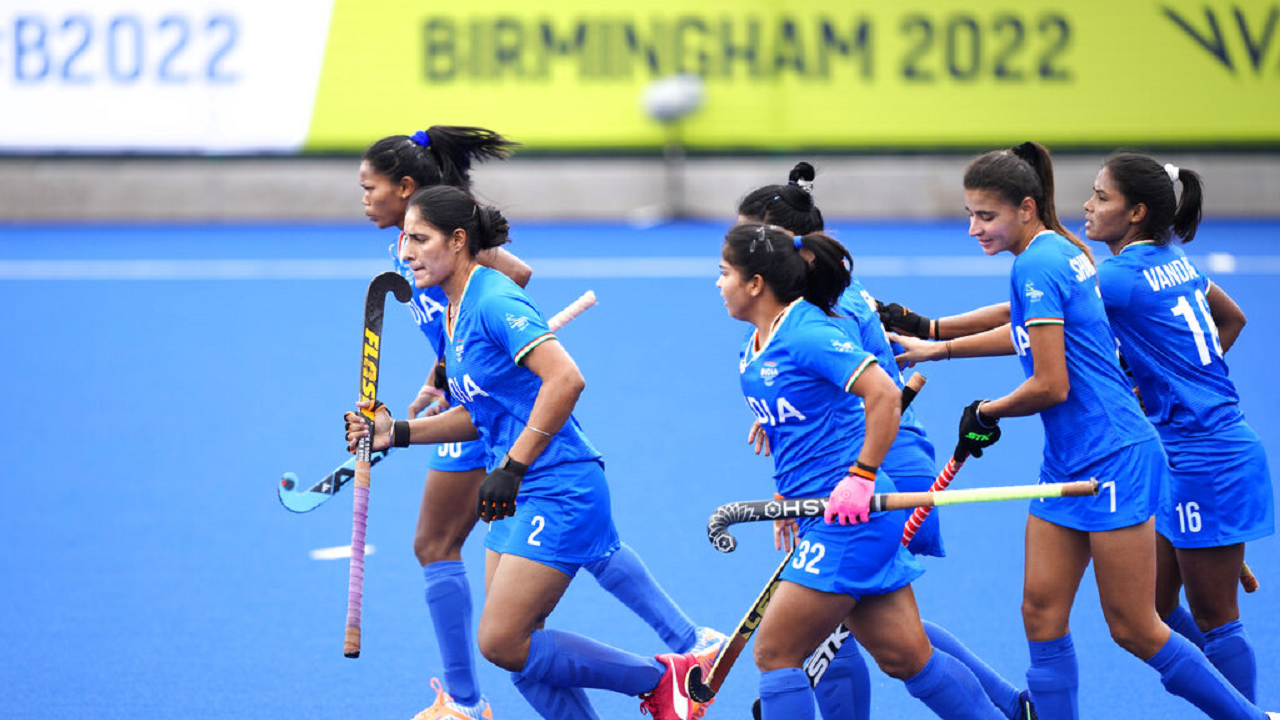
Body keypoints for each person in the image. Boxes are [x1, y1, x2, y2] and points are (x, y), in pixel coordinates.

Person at [889, 142, 1275, 720]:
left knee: (1140, 625)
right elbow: (1034, 328)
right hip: (1084, 455)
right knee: (1042, 612)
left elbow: (1052, 382)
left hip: (1133, 454)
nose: (972, 228)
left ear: (1025, 207)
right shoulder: (1070, 255)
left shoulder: (1070, 265)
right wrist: (937, 341)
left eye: (984, 216)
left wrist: (986, 409)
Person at [358, 127, 722, 720]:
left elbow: (568, 380)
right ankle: (678, 655)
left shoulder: (493, 300)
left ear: (457, 240)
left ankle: (665, 676)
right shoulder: (453, 312)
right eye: (405, 241)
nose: (406, 253)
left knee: (500, 640)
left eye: (418, 240)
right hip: (523, 489)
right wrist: (395, 432)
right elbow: (477, 416)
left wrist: (514, 465)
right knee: (520, 653)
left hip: (556, 482)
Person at [736, 164, 1035, 720]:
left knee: (815, 634)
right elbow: (816, 394)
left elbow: (863, 401)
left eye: (750, 244)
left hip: (874, 469)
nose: (736, 258)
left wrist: (830, 476)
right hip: (853, 469)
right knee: (893, 639)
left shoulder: (825, 312)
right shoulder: (796, 309)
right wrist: (781, 418)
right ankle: (1009, 708)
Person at [1082, 152, 1274, 701]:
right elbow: (1231, 317)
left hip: (1206, 457)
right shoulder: (1174, 257)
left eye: (1101, 196)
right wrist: (1174, 383)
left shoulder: (1119, 274)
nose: (1088, 206)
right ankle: (1233, 705)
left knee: (1216, 616)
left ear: (1137, 212)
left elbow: (1035, 318)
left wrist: (938, 338)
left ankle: (1245, 715)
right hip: (1192, 451)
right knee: (1155, 611)